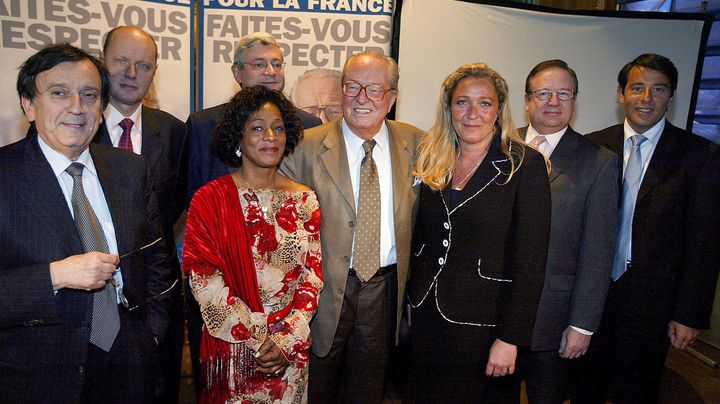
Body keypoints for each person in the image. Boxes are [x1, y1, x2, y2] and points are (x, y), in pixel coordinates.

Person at [0, 44, 172, 403]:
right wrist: (55, 276)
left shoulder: (130, 169)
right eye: (59, 93)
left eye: (89, 95)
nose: (76, 107)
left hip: (128, 361)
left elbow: (157, 258)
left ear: (102, 107)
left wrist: (150, 334)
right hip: (39, 370)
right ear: (28, 105)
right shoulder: (6, 175)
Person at [280, 51, 425, 403]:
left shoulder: (419, 145)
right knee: (313, 390)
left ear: (391, 99)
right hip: (320, 293)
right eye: (352, 87)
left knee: (367, 391)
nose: (362, 98)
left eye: (374, 89)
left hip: (384, 290)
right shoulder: (303, 147)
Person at [575, 53, 720, 403]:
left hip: (652, 306)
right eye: (637, 87)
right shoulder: (591, 146)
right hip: (590, 299)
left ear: (671, 97)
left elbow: (704, 242)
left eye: (658, 89)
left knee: (636, 392)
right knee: (583, 387)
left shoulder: (700, 156)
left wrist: (689, 314)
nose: (646, 98)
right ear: (621, 93)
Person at [182, 34, 321, 388]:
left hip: (290, 353)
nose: (269, 136)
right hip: (234, 348)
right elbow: (204, 278)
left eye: (277, 128)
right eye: (257, 128)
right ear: (237, 139)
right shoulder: (209, 200)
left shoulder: (305, 199)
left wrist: (286, 339)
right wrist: (259, 340)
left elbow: (312, 277)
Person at [406, 63, 550, 403]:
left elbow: (531, 262)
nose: (472, 113)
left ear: (498, 109)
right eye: (462, 102)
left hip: (486, 327)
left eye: (484, 103)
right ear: (449, 107)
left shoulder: (524, 165)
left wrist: (511, 339)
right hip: (427, 319)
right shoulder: (431, 158)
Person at [514, 60, 618, 403]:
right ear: (527, 99)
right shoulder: (497, 147)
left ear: (575, 99)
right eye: (544, 93)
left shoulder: (599, 161)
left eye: (564, 93)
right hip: (497, 316)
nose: (554, 101)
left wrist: (582, 324)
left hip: (555, 320)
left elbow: (598, 252)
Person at [96, 25, 186, 403]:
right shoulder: (75, 126)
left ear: (154, 72)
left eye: (143, 65)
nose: (132, 74)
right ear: (102, 62)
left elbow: (180, 203)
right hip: (91, 294)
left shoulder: (176, 132)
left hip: (155, 294)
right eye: (121, 61)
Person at [183, 32, 322, 206]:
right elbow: (189, 197)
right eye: (259, 64)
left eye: (277, 64)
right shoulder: (203, 125)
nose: (271, 72)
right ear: (237, 72)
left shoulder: (309, 126)